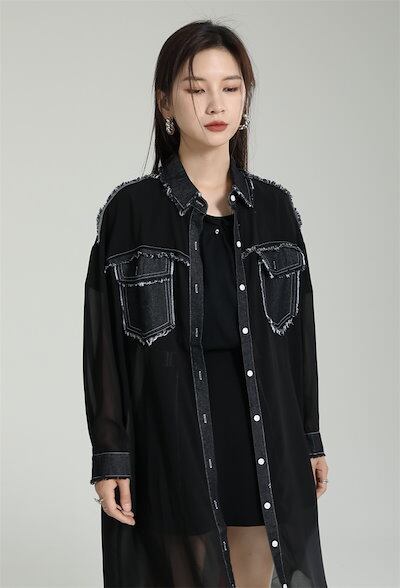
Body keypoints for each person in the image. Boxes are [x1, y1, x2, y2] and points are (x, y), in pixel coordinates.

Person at [83, 19, 329, 588]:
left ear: (245, 97)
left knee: (256, 574)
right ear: (165, 102)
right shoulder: (131, 211)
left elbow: (300, 342)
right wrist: (111, 455)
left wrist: (309, 438)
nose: (216, 104)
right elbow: (104, 348)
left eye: (231, 87)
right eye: (196, 89)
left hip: (263, 432)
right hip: (172, 433)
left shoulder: (275, 209)